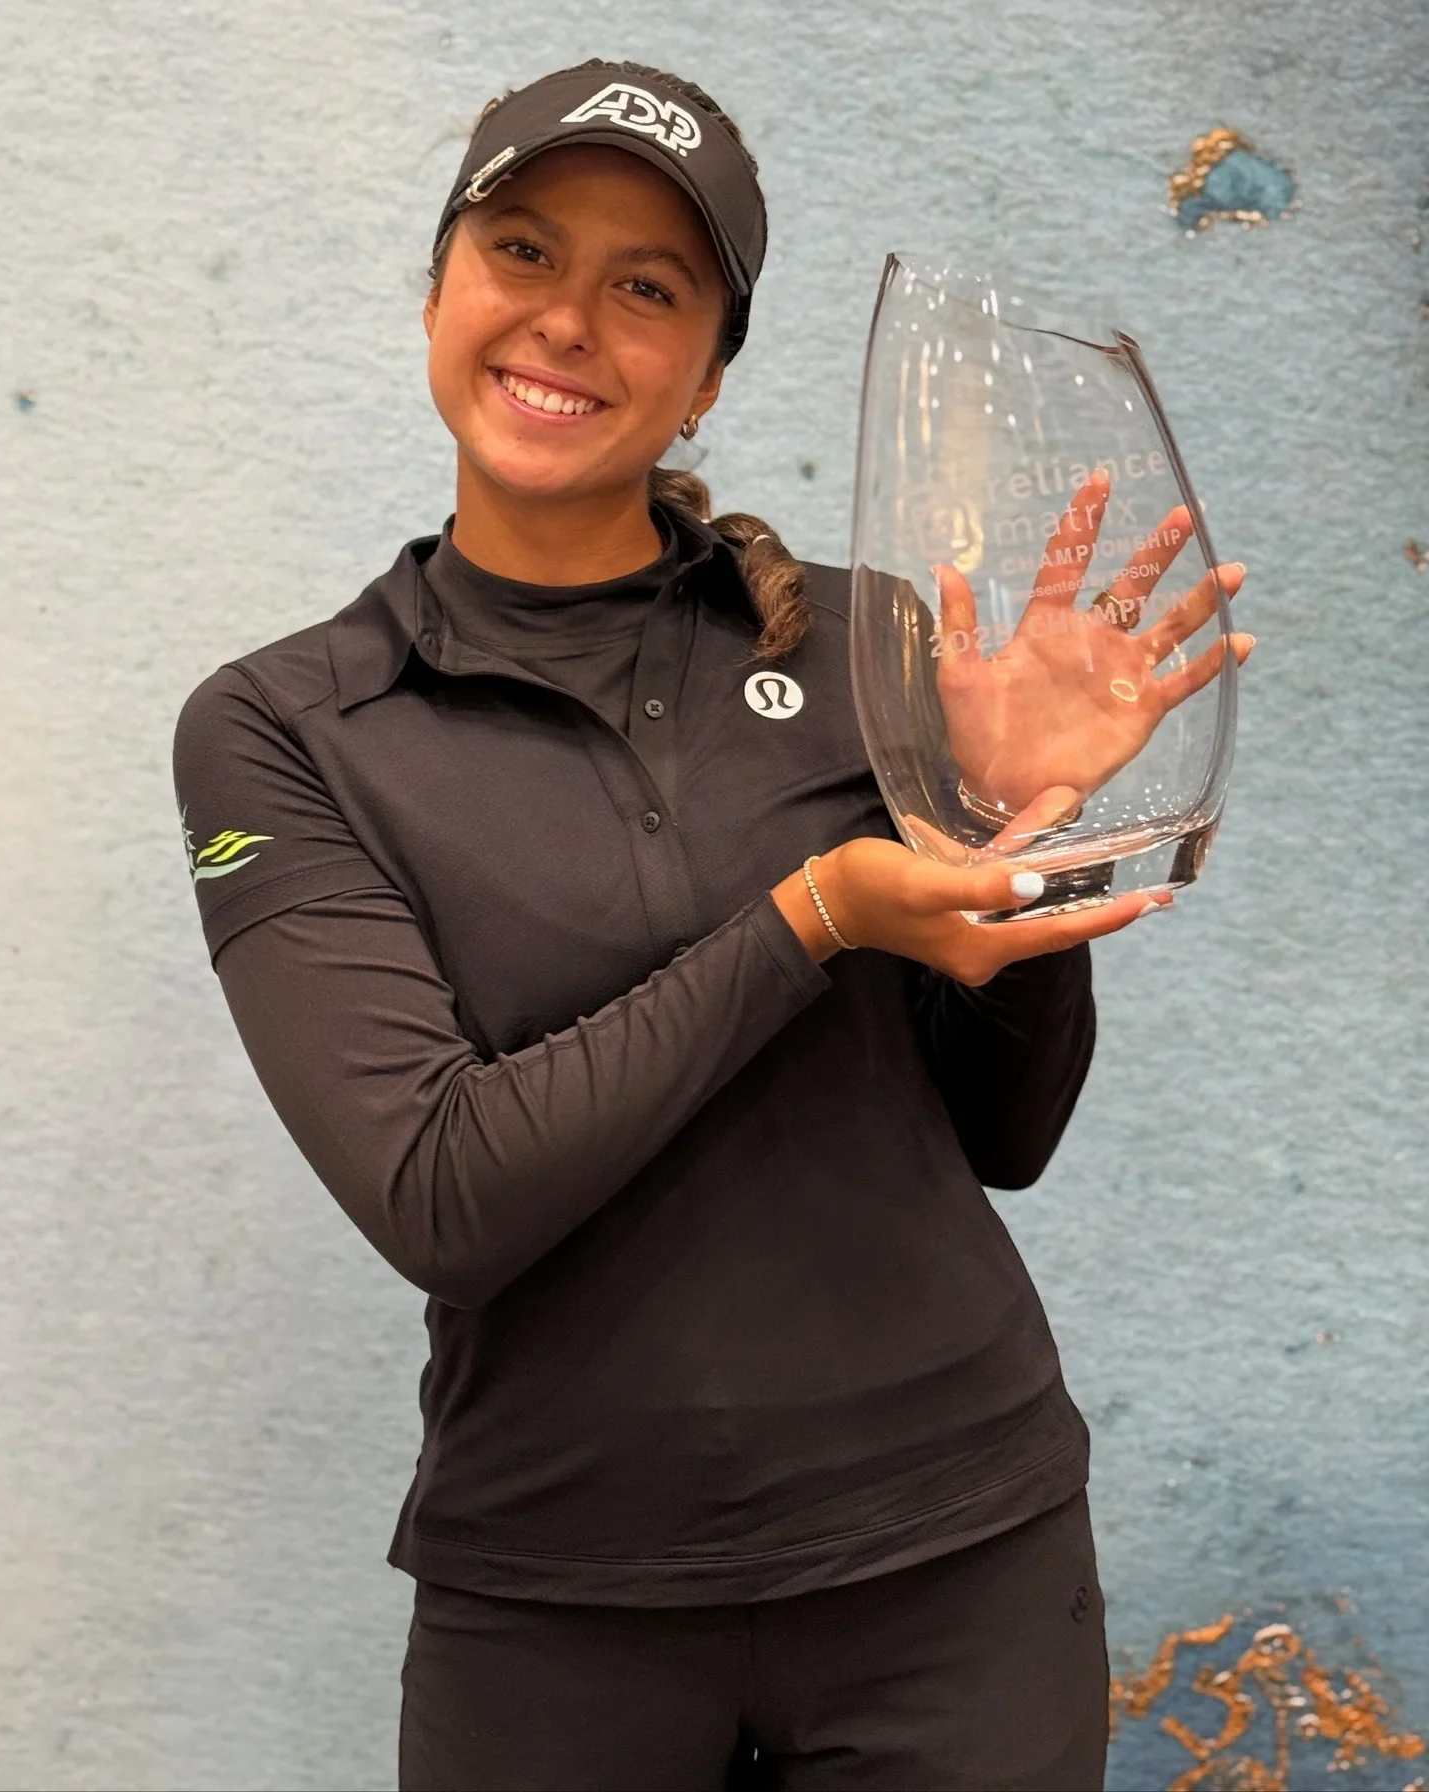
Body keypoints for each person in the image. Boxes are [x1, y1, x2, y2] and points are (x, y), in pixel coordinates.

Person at [172, 59, 1253, 1792]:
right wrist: (814, 914)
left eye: (649, 287)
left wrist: (1011, 831)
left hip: (957, 1562)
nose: (568, 320)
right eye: (525, 251)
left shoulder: (867, 641)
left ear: (709, 380)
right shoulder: (286, 728)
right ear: (439, 291)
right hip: (556, 1602)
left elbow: (1007, 1130)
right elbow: (440, 1191)